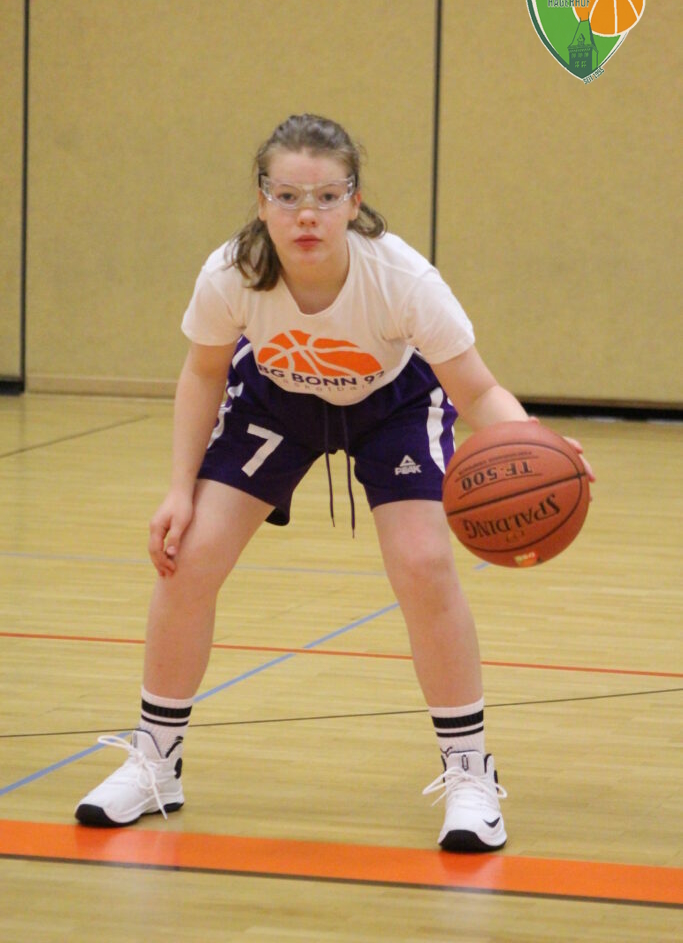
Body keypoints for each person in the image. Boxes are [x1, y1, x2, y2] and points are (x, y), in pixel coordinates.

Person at [75, 113, 592, 851]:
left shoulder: (403, 279)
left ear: (354, 202)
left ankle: (470, 774)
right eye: (287, 197)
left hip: (393, 406)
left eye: (325, 197)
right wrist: (178, 489)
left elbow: (477, 391)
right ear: (262, 201)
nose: (306, 215)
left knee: (423, 564)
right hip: (274, 404)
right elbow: (203, 373)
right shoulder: (231, 273)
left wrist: (535, 442)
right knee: (187, 560)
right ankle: (156, 762)